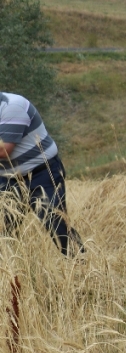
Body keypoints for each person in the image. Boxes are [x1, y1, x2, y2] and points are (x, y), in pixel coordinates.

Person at [0, 92, 83, 255]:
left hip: (42, 173)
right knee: (4, 230)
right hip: (9, 179)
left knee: (56, 226)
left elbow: (4, 151)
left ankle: (81, 266)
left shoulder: (12, 106)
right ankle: (13, 275)